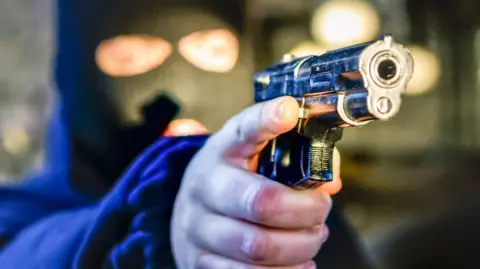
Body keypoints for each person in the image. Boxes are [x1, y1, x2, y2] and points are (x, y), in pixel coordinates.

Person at [0, 0, 375, 268]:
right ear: (75, 77)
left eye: (211, 51)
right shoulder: (16, 220)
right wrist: (164, 223)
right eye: (131, 57)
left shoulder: (296, 216)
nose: (182, 90)